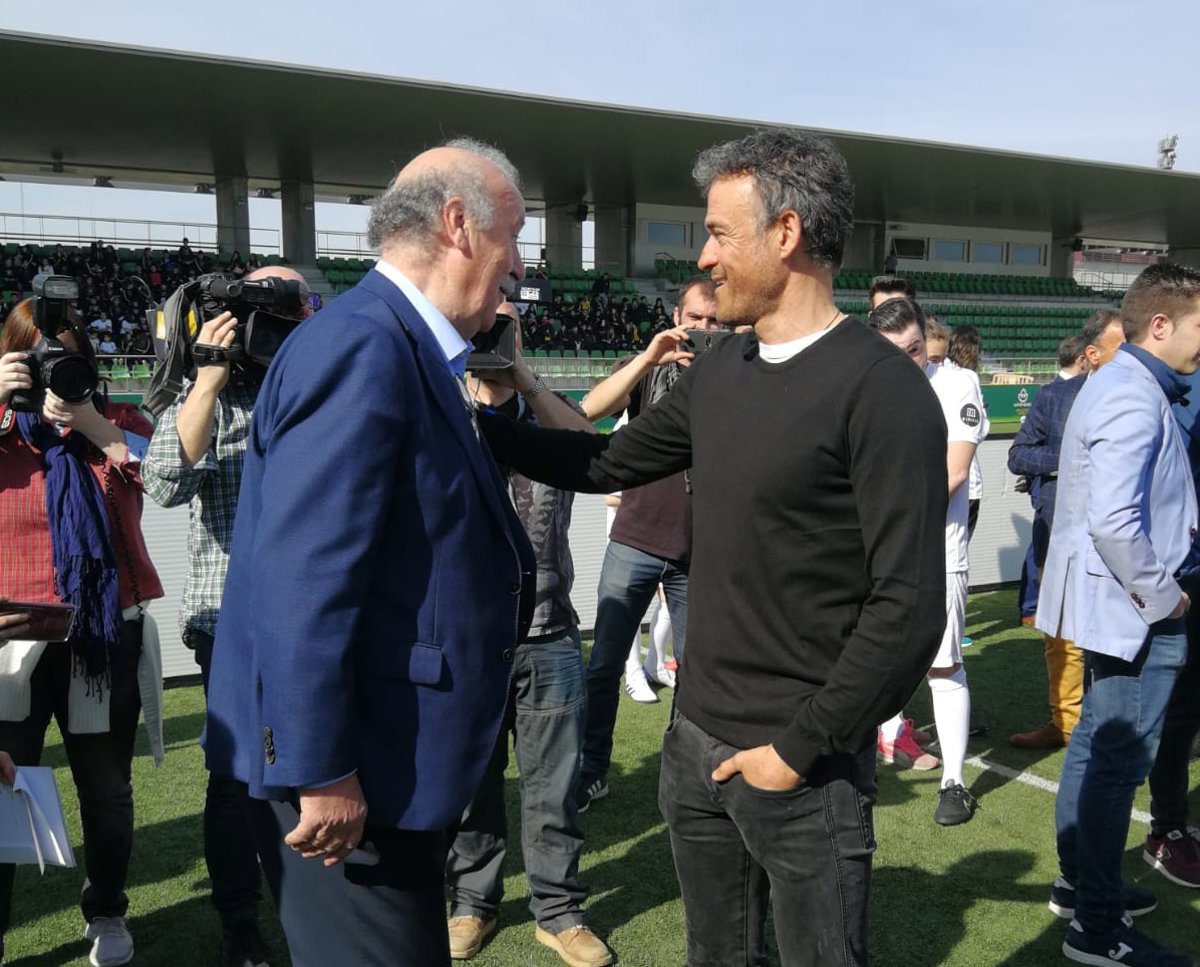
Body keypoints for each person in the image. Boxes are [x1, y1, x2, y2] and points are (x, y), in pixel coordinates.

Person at [479, 128, 948, 967]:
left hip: (802, 770)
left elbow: (908, 606)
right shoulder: (724, 364)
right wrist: (476, 424)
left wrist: (799, 749)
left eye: (720, 233)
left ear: (787, 232)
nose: (704, 256)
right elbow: (607, 461)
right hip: (694, 747)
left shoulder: (883, 390)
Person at [202, 137, 536, 967]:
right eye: (513, 236)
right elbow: (302, 579)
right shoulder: (365, 345)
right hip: (346, 782)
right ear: (458, 224)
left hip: (384, 768)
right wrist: (319, 768)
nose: (519, 264)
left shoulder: (397, 342)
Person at [142, 266, 315, 967]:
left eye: (296, 305)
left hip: (322, 616)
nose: (282, 320)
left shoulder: (323, 384)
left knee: (321, 761)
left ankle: (318, 908)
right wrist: (210, 377)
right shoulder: (211, 393)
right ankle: (240, 920)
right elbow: (163, 482)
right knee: (236, 779)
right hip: (231, 620)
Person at [1038, 262, 1200, 967]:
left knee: (1095, 748)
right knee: (1115, 762)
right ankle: (1098, 927)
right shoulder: (1133, 392)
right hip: (1137, 612)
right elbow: (1114, 520)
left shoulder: (1121, 382)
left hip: (1115, 605)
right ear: (1160, 324)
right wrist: (1165, 596)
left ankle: (1082, 887)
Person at [445, 303, 613, 967]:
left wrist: (522, 377)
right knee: (472, 784)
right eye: (481, 323)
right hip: (468, 637)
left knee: (554, 787)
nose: (491, 332)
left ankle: (559, 910)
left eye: (504, 324)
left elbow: (598, 455)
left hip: (549, 631)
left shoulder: (546, 411)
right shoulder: (443, 410)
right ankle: (472, 901)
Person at [0, 300, 164, 967]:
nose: (55, 370)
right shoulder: (5, 427)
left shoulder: (117, 419)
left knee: (106, 789)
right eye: (40, 357)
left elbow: (162, 475)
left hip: (100, 634)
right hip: (9, 638)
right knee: (1, 784)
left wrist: (91, 420)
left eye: (69, 358)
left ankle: (107, 910)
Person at [566, 277, 715, 810]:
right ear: (676, 317)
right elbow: (588, 411)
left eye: (713, 322)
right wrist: (649, 358)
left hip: (700, 550)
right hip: (636, 537)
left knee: (697, 675)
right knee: (605, 664)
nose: (702, 330)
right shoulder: (650, 367)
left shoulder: (733, 374)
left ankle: (685, 775)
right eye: (694, 319)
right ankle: (592, 768)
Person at [869, 298, 985, 826]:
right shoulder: (866, 385)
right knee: (871, 657)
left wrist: (881, 512)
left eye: (914, 349)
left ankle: (954, 783)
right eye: (895, 352)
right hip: (874, 552)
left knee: (943, 663)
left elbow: (954, 472)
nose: (908, 360)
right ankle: (881, 742)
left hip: (937, 553)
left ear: (926, 340)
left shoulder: (957, 384)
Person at [1006, 323, 1111, 750]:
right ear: (1091, 355)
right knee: (1062, 635)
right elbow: (1019, 455)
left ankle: (1112, 723)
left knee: (1113, 633)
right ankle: (1065, 722)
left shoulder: (1150, 397)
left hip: (1122, 535)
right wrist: (1067, 459)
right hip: (1060, 532)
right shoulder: (1054, 397)